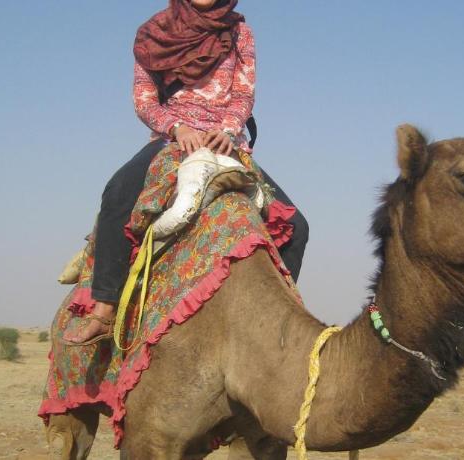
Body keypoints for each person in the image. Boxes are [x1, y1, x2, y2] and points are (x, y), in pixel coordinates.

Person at [64, 0, 308, 344]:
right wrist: (177, 127)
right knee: (118, 192)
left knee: (296, 227)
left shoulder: (239, 32)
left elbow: (243, 93)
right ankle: (104, 310)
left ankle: (269, 328)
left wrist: (226, 129)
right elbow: (144, 101)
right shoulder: (153, 34)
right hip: (173, 138)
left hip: (225, 140)